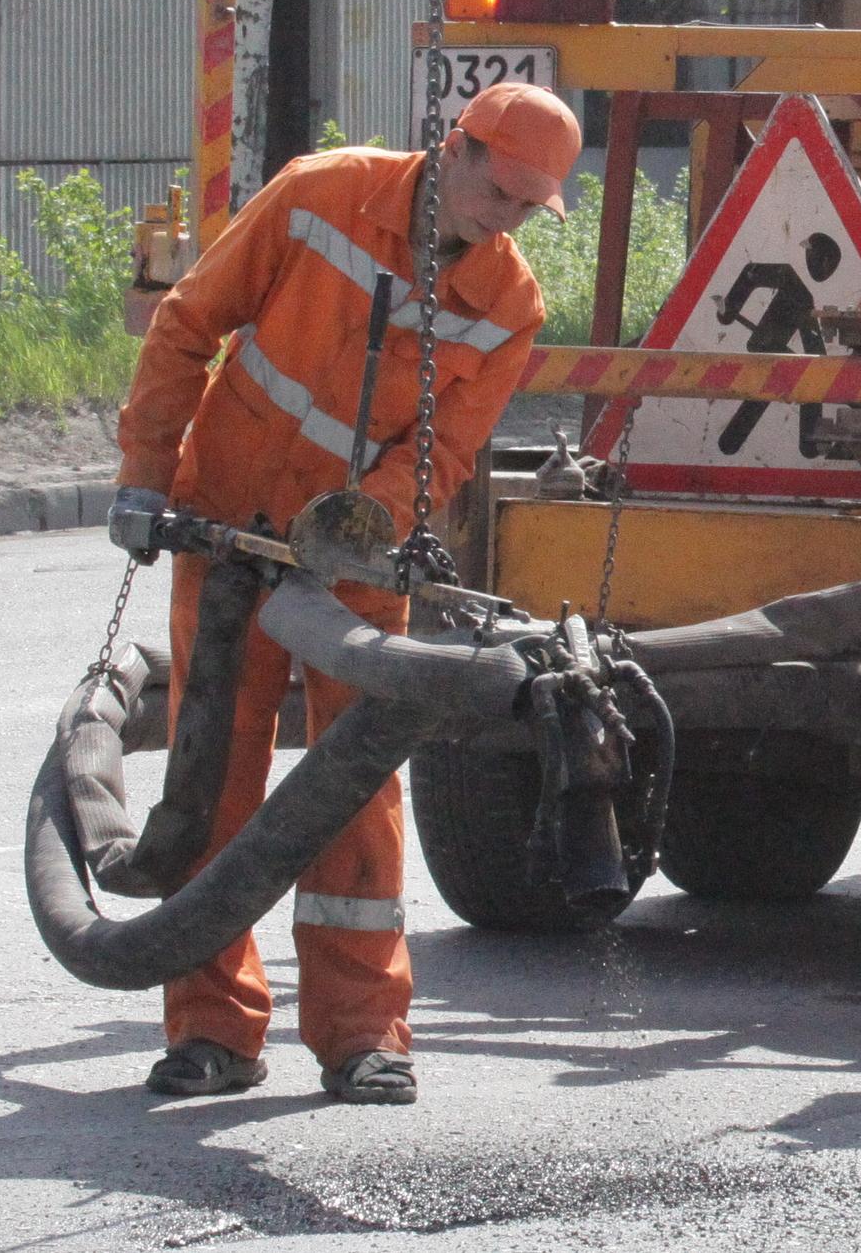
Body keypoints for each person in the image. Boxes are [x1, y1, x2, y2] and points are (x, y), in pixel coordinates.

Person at [104, 82, 580, 1104]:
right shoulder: (319, 196)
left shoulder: (509, 305)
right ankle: (213, 1031)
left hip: (355, 562)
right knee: (214, 775)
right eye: (498, 191)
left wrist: (356, 526)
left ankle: (363, 1033)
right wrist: (145, 477)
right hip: (227, 524)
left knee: (355, 790)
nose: (504, 218)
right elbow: (188, 325)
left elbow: (443, 452)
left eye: (525, 207)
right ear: (455, 149)